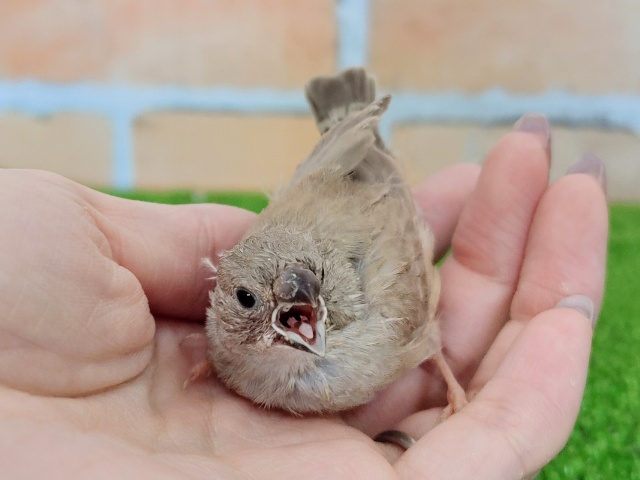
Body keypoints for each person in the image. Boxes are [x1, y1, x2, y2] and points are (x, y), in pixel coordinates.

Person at [0, 115, 607, 479]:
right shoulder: (225, 333)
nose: (284, 303)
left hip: (376, 206)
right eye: (244, 302)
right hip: (326, 178)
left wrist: (444, 372)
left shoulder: (383, 319)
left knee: (432, 340)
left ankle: (445, 374)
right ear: (216, 300)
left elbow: (406, 274)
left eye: (300, 297)